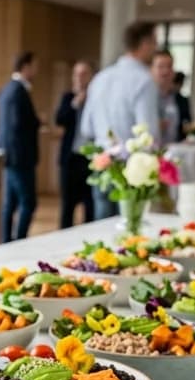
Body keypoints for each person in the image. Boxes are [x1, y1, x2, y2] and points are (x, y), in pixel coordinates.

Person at [77, 21, 160, 221]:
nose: (156, 48)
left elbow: (86, 128)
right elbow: (148, 135)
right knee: (129, 229)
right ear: (145, 43)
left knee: (101, 228)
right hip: (131, 170)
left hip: (102, 163)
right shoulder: (143, 80)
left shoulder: (100, 78)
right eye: (154, 42)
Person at [0, 51, 41, 242]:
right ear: (26, 66)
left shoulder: (7, 89)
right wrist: (37, 122)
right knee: (28, 203)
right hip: (20, 157)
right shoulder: (18, 91)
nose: (36, 70)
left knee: (10, 204)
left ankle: (6, 242)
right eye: (34, 65)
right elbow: (17, 124)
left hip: (10, 156)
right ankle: (18, 241)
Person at [55, 60, 94, 228]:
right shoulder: (68, 97)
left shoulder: (96, 99)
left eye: (84, 74)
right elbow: (59, 119)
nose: (79, 77)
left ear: (91, 77)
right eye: (76, 74)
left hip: (91, 160)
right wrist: (76, 103)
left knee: (90, 205)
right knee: (67, 206)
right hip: (70, 159)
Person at [152, 50, 183, 145]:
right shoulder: (145, 99)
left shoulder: (181, 100)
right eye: (160, 67)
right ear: (151, 69)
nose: (166, 71)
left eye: (169, 66)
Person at [172, 71, 192, 139]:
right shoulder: (166, 98)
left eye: (181, 83)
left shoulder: (183, 100)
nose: (179, 86)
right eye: (177, 83)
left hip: (180, 135)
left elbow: (188, 119)